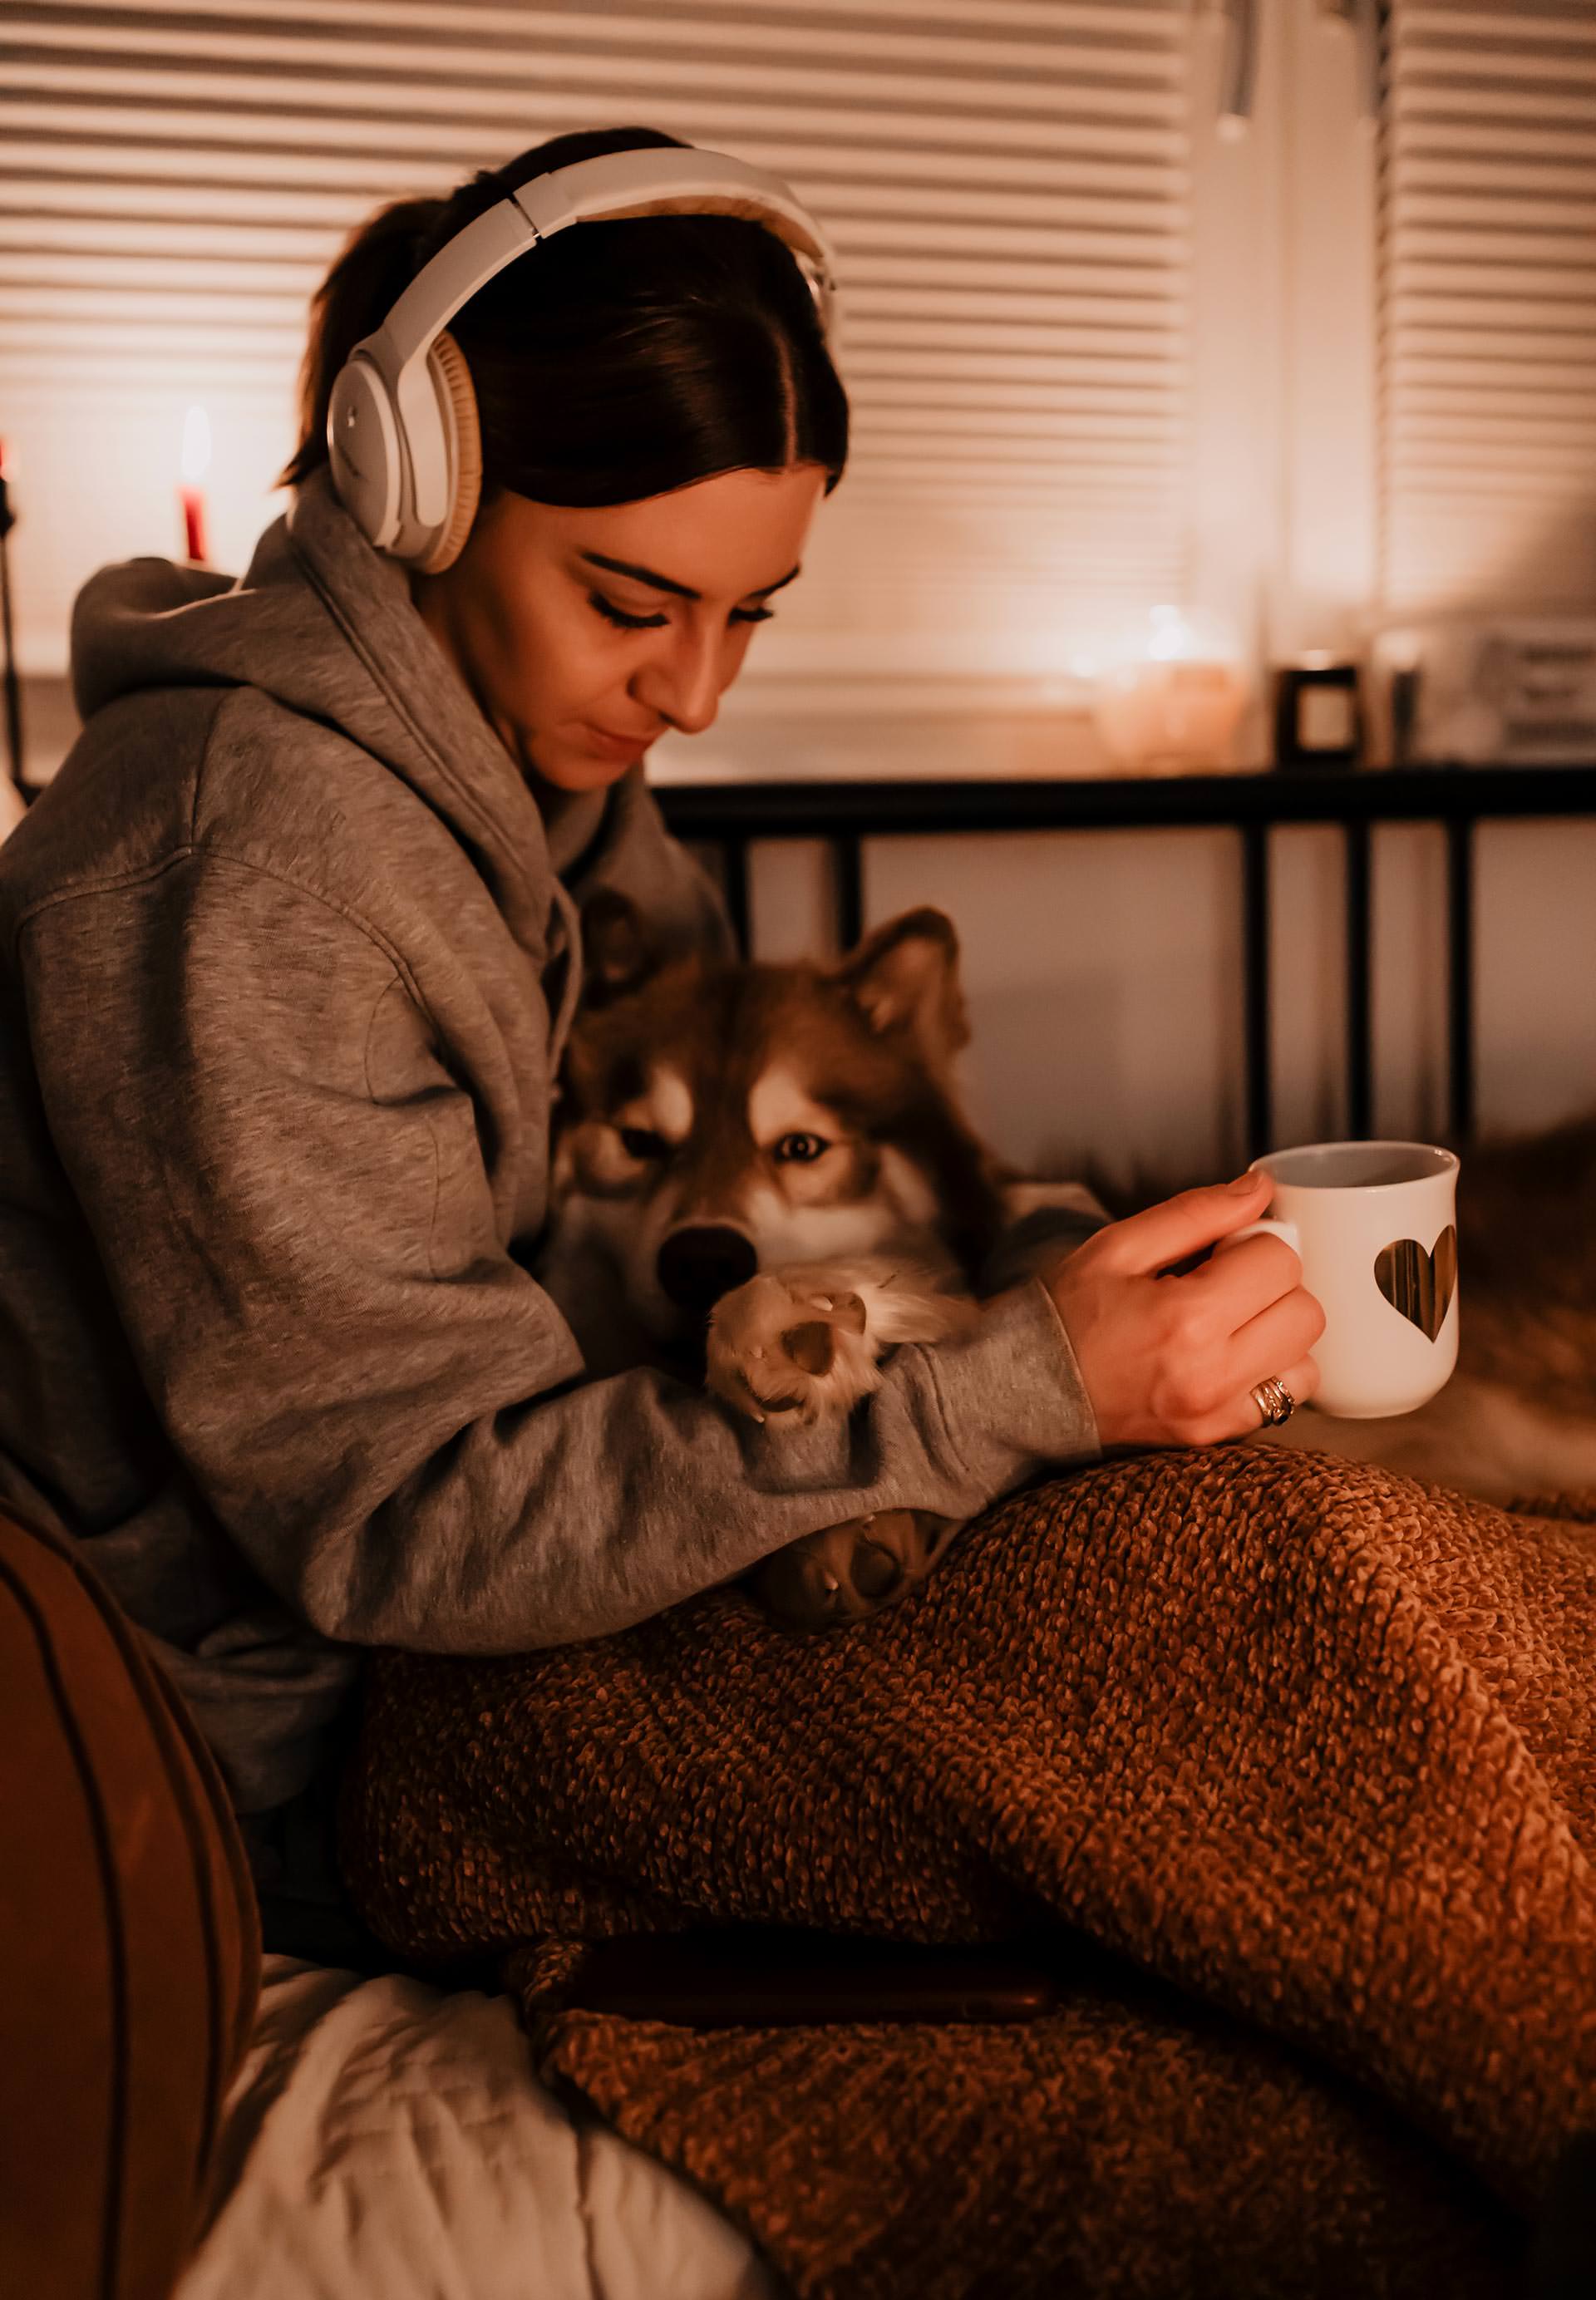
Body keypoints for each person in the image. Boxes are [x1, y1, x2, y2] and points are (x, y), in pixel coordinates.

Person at [0, 123, 1324, 1957]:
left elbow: (714, 1258)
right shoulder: (251, 873)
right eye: (633, 605)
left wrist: (1060, 1276)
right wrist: (1020, 1385)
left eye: (747, 618)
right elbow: (405, 1531)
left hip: (577, 1591)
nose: (694, 694)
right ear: (422, 489)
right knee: (1268, 1738)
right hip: (300, 1758)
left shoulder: (554, 792)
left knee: (1295, 1563)